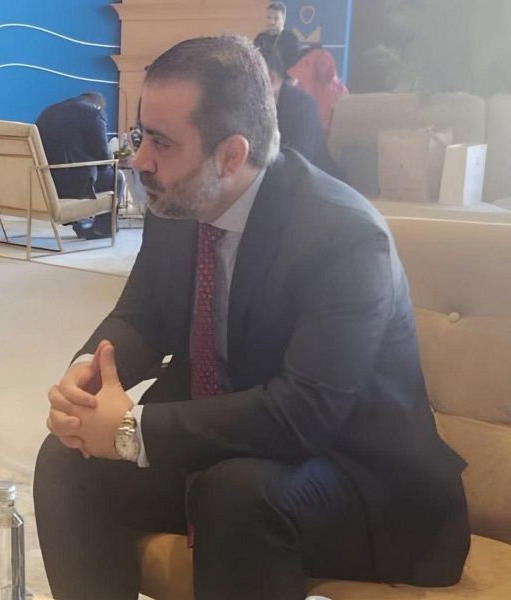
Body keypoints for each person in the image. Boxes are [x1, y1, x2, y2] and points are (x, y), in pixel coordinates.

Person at [34, 35, 469, 600]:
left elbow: (304, 415)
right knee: (66, 461)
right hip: (229, 449)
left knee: (236, 493)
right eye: (140, 135)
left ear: (231, 156)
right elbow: (142, 318)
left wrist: (131, 430)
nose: (139, 160)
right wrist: (88, 378)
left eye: (161, 142)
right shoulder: (179, 200)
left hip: (361, 477)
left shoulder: (343, 236)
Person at [35, 92, 117, 240]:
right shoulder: (94, 114)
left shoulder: (47, 112)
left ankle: (79, 221)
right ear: (97, 105)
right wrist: (114, 159)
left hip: (44, 184)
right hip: (75, 187)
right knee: (116, 176)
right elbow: (103, 157)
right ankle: (103, 228)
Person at [261, 48, 342, 178]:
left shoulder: (302, 106)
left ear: (270, 78)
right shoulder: (255, 105)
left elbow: (298, 165)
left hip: (316, 181)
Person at [254, 1, 299, 76]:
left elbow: (295, 68)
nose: (271, 22)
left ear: (283, 19)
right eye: (268, 17)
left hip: (284, 80)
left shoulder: (291, 39)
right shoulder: (260, 38)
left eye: (276, 18)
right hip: (263, 78)